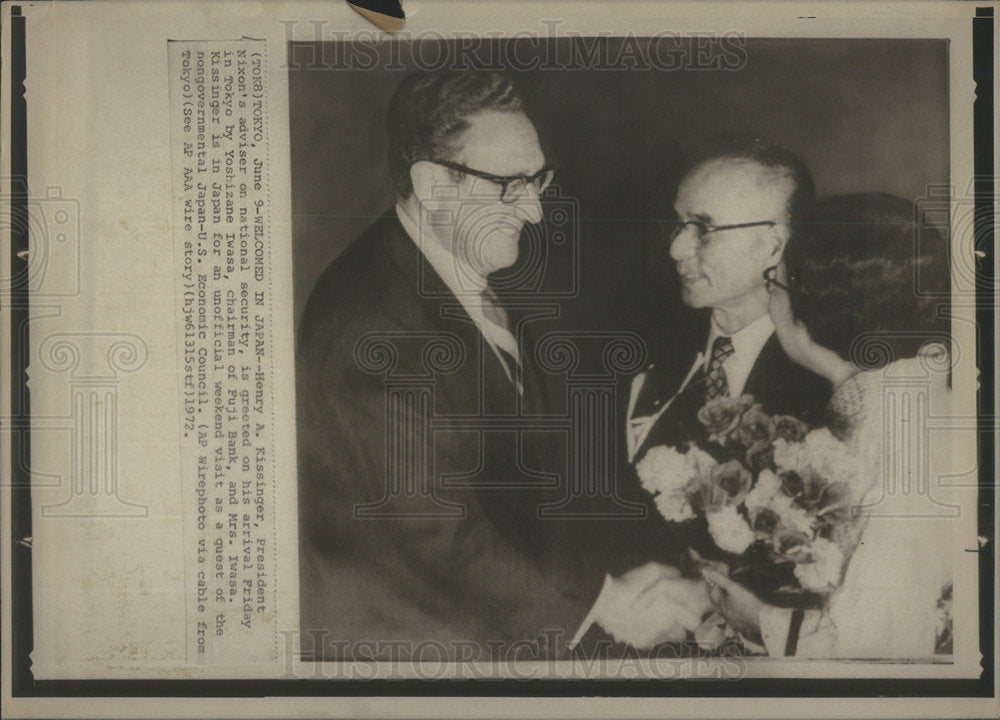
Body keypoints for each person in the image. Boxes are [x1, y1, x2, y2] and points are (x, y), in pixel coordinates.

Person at [297, 71, 693, 660]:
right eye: (510, 186)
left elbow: (532, 470)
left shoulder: (457, 270)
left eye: (538, 180)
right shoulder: (370, 327)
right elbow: (437, 534)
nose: (534, 211)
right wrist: (603, 605)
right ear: (432, 184)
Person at [575, 141, 834, 651]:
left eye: (704, 228)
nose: (676, 247)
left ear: (774, 246)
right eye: (678, 223)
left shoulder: (827, 381)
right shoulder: (628, 347)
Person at [700, 192, 954, 658]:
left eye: (773, 284)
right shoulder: (904, 396)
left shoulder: (899, 444)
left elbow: (878, 646)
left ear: (811, 313)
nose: (769, 299)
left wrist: (758, 619)